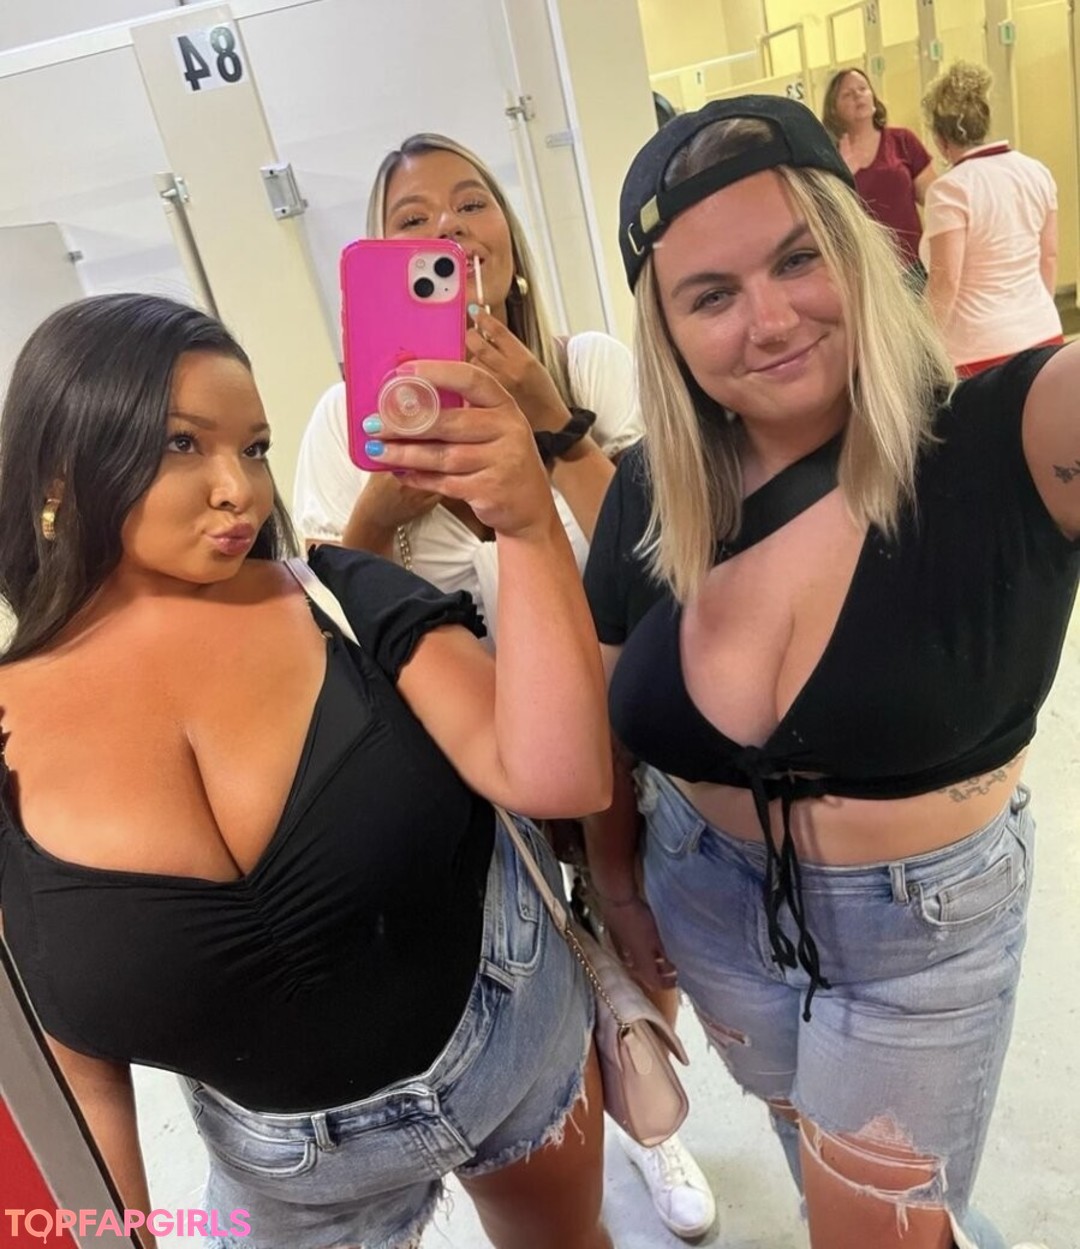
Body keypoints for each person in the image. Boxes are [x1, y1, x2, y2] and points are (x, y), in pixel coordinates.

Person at [0, 293, 616, 1249]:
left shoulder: (340, 593)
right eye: (181, 443)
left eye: (253, 449)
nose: (239, 490)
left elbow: (559, 778)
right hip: (286, 1171)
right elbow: (71, 1068)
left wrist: (528, 525)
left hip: (509, 1034)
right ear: (56, 472)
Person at [583, 93, 1077, 1249]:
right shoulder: (652, 491)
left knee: (874, 1229)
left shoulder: (1011, 434)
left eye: (799, 258)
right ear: (668, 332)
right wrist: (620, 889)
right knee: (818, 1158)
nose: (770, 321)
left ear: (859, 248)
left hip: (920, 936)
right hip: (706, 899)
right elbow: (602, 722)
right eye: (712, 295)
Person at [292, 133, 717, 1240]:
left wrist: (547, 421)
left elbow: (666, 556)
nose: (447, 229)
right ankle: (573, 1118)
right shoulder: (341, 421)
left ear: (509, 240)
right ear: (382, 258)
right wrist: (386, 497)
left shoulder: (588, 368)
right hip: (462, 764)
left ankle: (653, 1118)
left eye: (471, 203)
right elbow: (330, 619)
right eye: (413, 219)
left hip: (624, 736)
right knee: (526, 969)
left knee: (636, 923)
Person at [920, 62, 1063, 377]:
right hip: (1043, 333)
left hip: (980, 350)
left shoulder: (949, 190)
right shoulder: (1036, 172)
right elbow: (1049, 257)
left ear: (941, 139)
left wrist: (921, 349)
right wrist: (1033, 313)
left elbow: (946, 282)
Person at [822, 68, 935, 282]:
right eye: (847, 94)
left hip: (912, 267)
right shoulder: (830, 156)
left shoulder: (902, 141)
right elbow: (828, 218)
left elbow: (934, 199)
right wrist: (844, 175)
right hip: (864, 273)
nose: (858, 96)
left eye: (863, 89)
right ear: (833, 109)